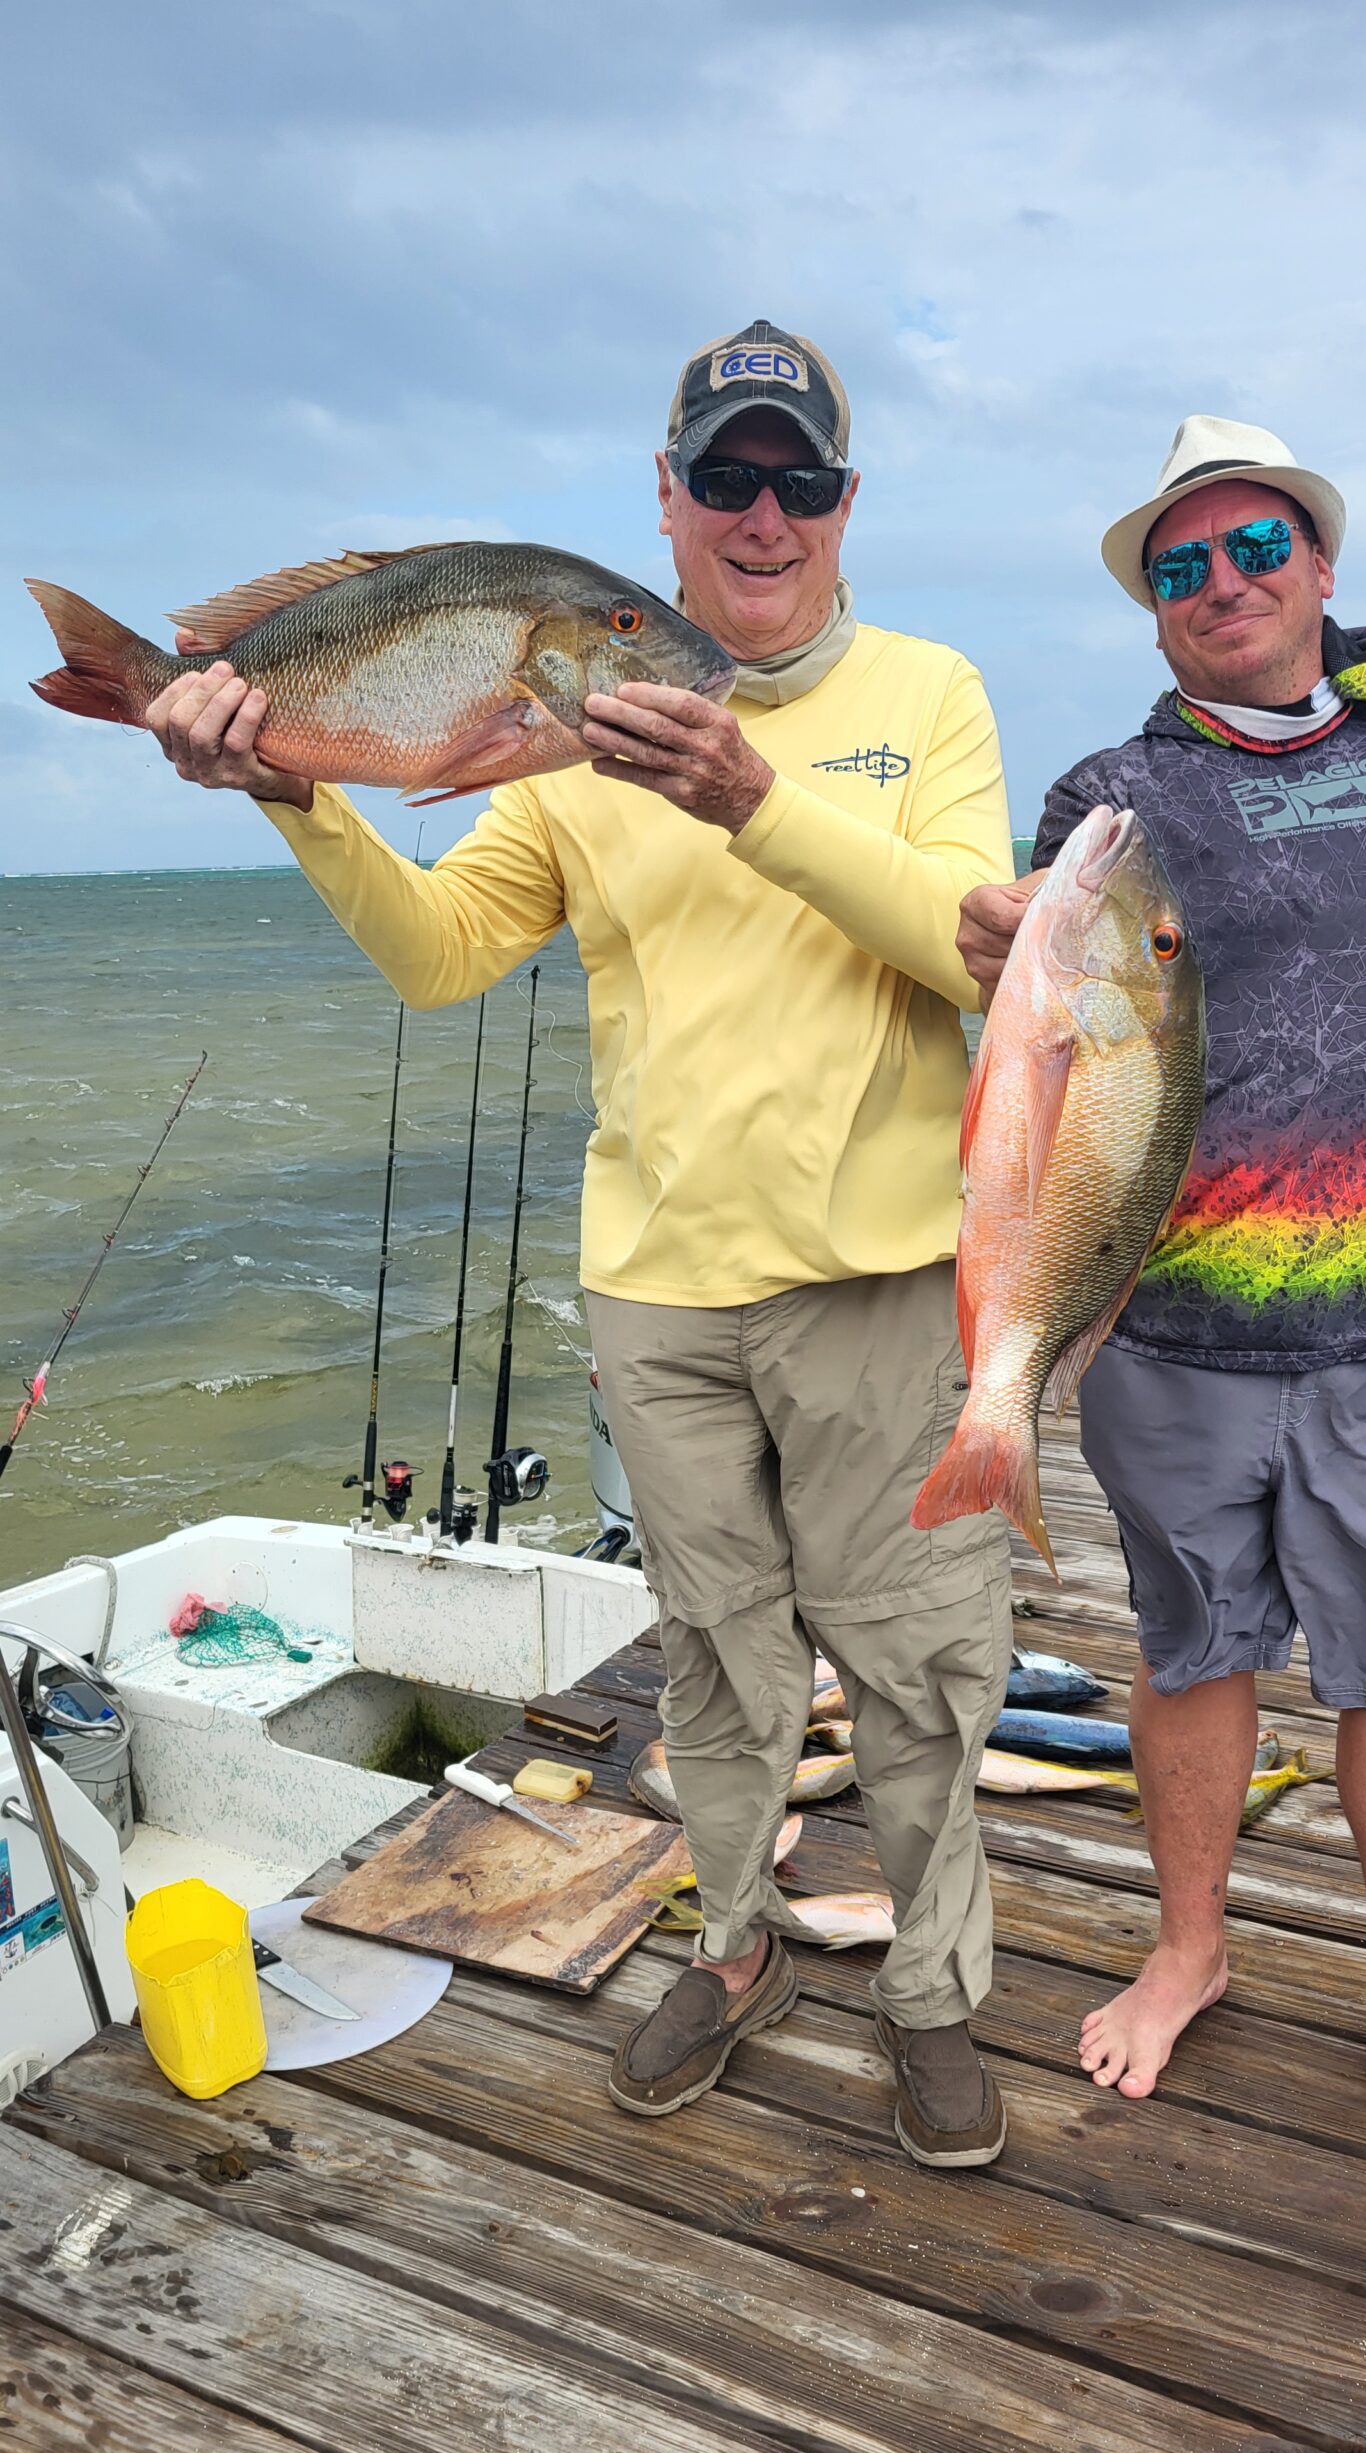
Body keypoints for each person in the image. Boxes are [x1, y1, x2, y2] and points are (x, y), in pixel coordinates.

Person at [144, 320, 1017, 2169]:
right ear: (666, 501)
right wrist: (294, 796)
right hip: (659, 1286)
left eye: (798, 480)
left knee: (922, 1663)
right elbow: (442, 953)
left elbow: (968, 946)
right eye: (726, 477)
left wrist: (748, 796)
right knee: (712, 1658)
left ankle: (933, 1993)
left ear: (846, 504)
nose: (761, 513)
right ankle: (733, 1947)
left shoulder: (929, 694)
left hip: (876, 1280)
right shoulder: (552, 739)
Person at [957, 414, 1366, 2183]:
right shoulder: (1111, 800)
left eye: (1251, 551)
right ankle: (1189, 1945)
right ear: (1151, 610)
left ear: (1317, 565)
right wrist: (992, 954)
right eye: (1180, 568)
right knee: (1189, 1652)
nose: (1219, 585)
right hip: (1170, 1332)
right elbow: (1048, 1023)